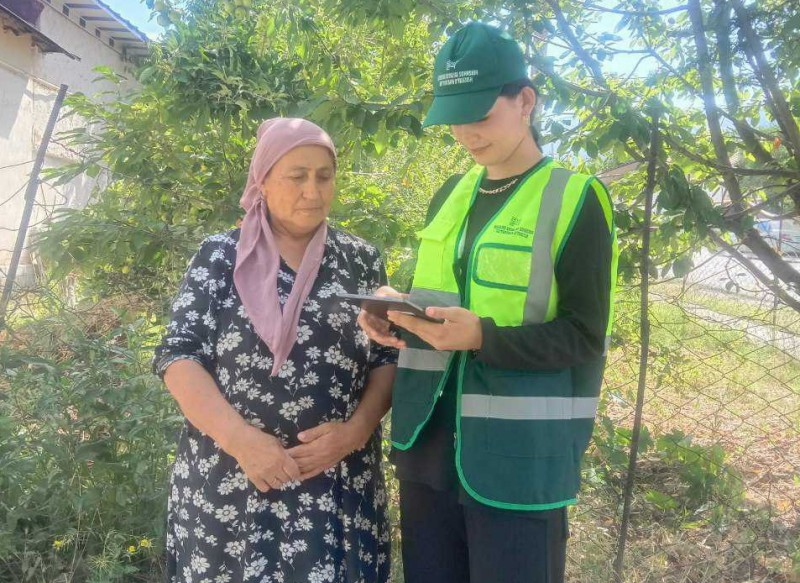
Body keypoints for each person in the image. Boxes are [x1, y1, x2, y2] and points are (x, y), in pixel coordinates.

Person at [358, 22, 618, 583]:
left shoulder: (575, 198)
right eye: (454, 119)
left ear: (525, 100)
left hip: (518, 462)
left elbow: (584, 335)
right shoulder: (449, 196)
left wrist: (484, 337)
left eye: (480, 115)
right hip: (428, 450)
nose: (466, 134)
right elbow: (437, 305)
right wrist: (393, 311)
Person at [153, 118, 397, 583]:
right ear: (262, 180)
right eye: (297, 175)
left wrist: (355, 431)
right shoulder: (220, 256)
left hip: (335, 486)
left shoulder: (360, 260)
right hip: (229, 484)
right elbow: (178, 357)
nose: (313, 190)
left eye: (324, 176)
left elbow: (386, 360)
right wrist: (242, 441)